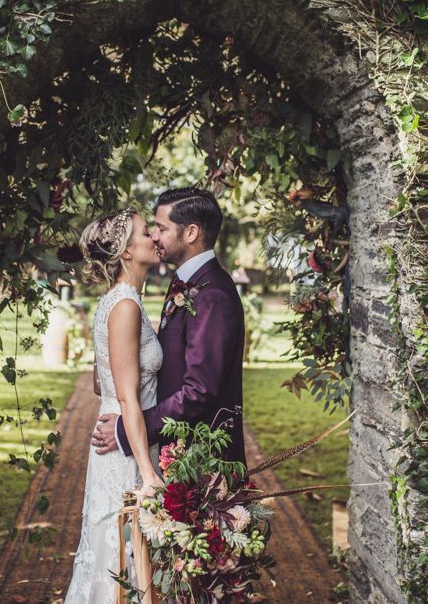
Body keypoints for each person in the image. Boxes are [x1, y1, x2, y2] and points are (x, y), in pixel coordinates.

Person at [91, 187, 247, 466]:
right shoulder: (186, 284)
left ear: (190, 233)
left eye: (161, 228)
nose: (154, 236)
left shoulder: (213, 296)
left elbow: (199, 391)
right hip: (175, 453)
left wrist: (126, 429)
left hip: (201, 460)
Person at [65, 207, 164, 604]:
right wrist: (147, 474)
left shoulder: (117, 301)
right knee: (124, 558)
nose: (155, 237)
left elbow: (98, 380)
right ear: (125, 251)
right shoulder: (124, 306)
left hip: (122, 434)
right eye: (145, 232)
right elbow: (126, 395)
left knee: (123, 556)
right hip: (127, 450)